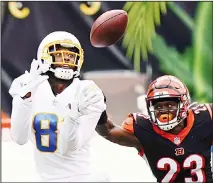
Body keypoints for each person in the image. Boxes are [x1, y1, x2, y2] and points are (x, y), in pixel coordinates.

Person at [9, 31, 109, 182]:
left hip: (82, 178)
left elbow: (68, 148)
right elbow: (19, 138)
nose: (66, 60)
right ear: (44, 57)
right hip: (45, 178)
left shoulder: (88, 92)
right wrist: (24, 100)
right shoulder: (30, 85)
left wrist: (73, 117)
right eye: (59, 55)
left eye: (70, 56)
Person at [96, 75, 213, 182]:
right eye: (158, 106)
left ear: (184, 103)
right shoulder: (143, 128)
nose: (163, 110)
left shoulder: (205, 118)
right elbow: (109, 131)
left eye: (169, 105)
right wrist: (98, 111)